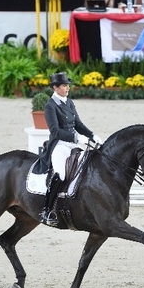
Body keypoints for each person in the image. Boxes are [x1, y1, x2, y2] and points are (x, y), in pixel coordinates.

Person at [34, 72, 103, 226]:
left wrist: (92, 135)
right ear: (55, 87)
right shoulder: (50, 106)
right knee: (62, 174)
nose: (68, 88)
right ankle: (46, 210)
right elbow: (55, 131)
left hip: (75, 141)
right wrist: (76, 138)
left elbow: (78, 124)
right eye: (64, 85)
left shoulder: (69, 102)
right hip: (60, 144)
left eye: (68, 85)